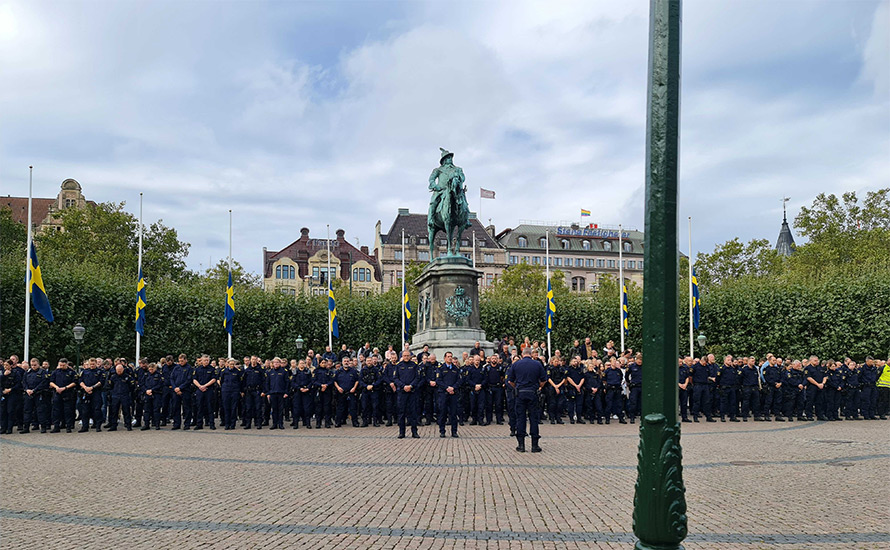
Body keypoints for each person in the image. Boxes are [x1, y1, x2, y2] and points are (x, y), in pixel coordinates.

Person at [507, 347, 547, 453]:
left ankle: (521, 445)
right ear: (531, 354)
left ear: (522, 354)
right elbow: (544, 380)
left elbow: (510, 381)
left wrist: (517, 387)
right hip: (533, 393)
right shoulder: (537, 364)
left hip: (520, 393)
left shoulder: (516, 364)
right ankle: (534, 446)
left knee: (521, 418)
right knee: (534, 419)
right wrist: (538, 387)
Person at [392, 350, 421, 439]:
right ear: (402, 356)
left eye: (408, 355)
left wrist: (411, 386)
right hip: (402, 392)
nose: (406, 357)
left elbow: (417, 377)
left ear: (410, 356)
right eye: (405, 356)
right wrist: (403, 386)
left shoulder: (414, 366)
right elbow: (395, 378)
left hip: (412, 392)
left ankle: (414, 432)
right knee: (401, 413)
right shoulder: (398, 366)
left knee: (413, 412)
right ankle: (402, 432)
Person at [436, 352, 462, 438]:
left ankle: (454, 431)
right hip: (443, 393)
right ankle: (442, 431)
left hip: (453, 394)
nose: (450, 358)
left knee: (454, 413)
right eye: (448, 357)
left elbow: (459, 381)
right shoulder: (440, 368)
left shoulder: (456, 369)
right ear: (445, 358)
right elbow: (438, 381)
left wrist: (453, 388)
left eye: (451, 356)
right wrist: (447, 388)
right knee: (442, 413)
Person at [50, 358, 78, 433]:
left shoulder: (71, 372)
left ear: (67, 364)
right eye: (60, 365)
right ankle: (56, 426)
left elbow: (75, 382)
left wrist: (65, 388)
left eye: (63, 365)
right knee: (56, 411)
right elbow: (51, 382)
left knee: (68, 411)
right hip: (57, 393)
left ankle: (68, 426)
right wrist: (57, 387)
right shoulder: (55, 372)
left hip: (68, 393)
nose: (61, 366)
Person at [23, 359, 51, 433]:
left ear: (38, 364)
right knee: (27, 411)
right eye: (32, 365)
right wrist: (27, 389)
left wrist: (34, 390)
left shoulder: (42, 372)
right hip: (28, 394)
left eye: (35, 365)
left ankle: (43, 427)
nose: (33, 366)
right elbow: (24, 382)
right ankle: (26, 427)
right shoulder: (28, 372)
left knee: (40, 411)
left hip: (39, 393)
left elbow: (43, 383)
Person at [106, 364, 135, 431]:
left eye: (120, 371)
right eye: (117, 371)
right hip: (115, 395)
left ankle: (128, 425)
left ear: (123, 370)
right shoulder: (113, 377)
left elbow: (132, 386)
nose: (119, 372)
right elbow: (110, 386)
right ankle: (113, 426)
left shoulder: (127, 377)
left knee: (126, 411)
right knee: (114, 411)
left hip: (125, 395)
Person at [169, 354, 194, 430]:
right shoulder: (176, 368)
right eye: (179, 361)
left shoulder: (189, 368)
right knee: (176, 407)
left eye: (182, 361)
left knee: (187, 408)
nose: (181, 362)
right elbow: (172, 378)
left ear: (186, 360)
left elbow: (189, 380)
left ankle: (187, 424)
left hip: (185, 390)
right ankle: (176, 424)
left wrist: (180, 388)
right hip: (175, 391)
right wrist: (175, 388)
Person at [192, 355, 217, 430]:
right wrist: (200, 386)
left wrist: (205, 386)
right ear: (201, 361)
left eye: (207, 360)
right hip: (199, 390)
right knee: (199, 407)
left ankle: (211, 424)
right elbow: (194, 379)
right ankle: (199, 424)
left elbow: (214, 379)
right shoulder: (197, 369)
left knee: (210, 407)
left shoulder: (212, 369)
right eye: (205, 360)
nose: (206, 361)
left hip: (208, 390)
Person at [333, 358, 360, 427]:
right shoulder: (338, 371)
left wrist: (354, 388)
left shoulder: (353, 371)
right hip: (341, 392)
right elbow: (334, 381)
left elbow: (357, 380)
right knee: (340, 408)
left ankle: (355, 422)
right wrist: (338, 388)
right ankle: (338, 422)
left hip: (351, 392)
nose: (346, 362)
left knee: (353, 408)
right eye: (345, 361)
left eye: (347, 361)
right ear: (342, 362)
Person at [264, 357, 288, 430]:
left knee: (281, 409)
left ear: (280, 363)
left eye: (277, 362)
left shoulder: (284, 371)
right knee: (274, 409)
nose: (276, 364)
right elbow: (267, 383)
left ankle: (280, 423)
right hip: (273, 393)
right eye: (275, 362)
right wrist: (268, 393)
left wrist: (286, 392)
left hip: (281, 393)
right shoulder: (270, 372)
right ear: (272, 364)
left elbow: (287, 383)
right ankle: (274, 424)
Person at [219, 359, 244, 430]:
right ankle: (227, 424)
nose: (232, 365)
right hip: (226, 391)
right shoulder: (224, 371)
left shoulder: (237, 372)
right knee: (226, 408)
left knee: (233, 408)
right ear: (227, 364)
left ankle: (232, 424)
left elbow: (240, 382)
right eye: (231, 364)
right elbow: (221, 381)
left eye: (233, 364)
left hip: (234, 391)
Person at [290, 359, 314, 429]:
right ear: (298, 365)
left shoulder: (308, 371)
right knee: (296, 408)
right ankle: (296, 424)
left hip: (306, 392)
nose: (302, 365)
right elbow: (292, 382)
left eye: (303, 363)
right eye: (300, 363)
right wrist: (299, 388)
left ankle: (308, 423)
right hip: (298, 391)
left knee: (307, 408)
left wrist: (308, 388)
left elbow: (311, 381)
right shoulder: (295, 372)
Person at [242, 357, 265, 429]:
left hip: (257, 391)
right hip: (249, 391)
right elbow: (243, 381)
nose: (253, 361)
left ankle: (258, 423)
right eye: (252, 359)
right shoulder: (247, 370)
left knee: (258, 408)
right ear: (250, 360)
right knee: (248, 408)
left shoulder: (260, 369)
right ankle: (248, 424)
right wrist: (243, 390)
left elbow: (264, 381)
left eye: (255, 359)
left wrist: (263, 391)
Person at [141, 362, 164, 430]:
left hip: (156, 394)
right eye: (150, 369)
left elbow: (160, 385)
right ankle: (146, 424)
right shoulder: (146, 375)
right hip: (147, 394)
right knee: (146, 410)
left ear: (155, 368)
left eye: (152, 369)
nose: (150, 371)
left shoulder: (159, 375)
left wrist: (152, 390)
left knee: (156, 410)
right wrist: (146, 390)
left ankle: (157, 424)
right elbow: (142, 384)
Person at [625, 354, 643, 423]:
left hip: (642, 386)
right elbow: (627, 376)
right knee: (633, 402)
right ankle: (632, 417)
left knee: (642, 402)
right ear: (636, 360)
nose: (640, 362)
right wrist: (629, 383)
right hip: (634, 387)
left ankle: (642, 417)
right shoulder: (632, 367)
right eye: (639, 360)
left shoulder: (644, 366)